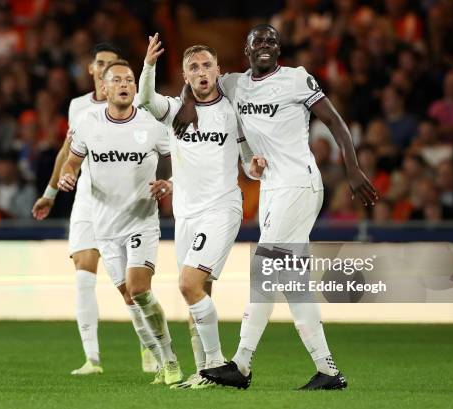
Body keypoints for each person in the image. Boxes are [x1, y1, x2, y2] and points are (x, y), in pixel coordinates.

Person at [175, 24, 377, 390]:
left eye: (272, 41)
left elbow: (335, 122)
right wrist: (187, 102)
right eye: (259, 41)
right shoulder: (234, 84)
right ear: (247, 49)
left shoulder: (298, 79)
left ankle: (241, 364)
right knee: (292, 282)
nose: (266, 45)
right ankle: (328, 371)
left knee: (264, 268)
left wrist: (353, 168)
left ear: (279, 50)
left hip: (299, 184)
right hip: (271, 189)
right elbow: (197, 78)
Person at [31, 43, 155, 375]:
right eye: (100, 63)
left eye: (112, 66)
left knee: (130, 286)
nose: (105, 70)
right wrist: (51, 193)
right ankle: (92, 359)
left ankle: (148, 345)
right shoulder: (79, 108)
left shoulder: (136, 107)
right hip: (87, 196)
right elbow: (66, 152)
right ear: (91, 69)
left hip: (124, 201)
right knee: (84, 273)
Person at [138, 34, 254, 388]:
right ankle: (204, 370)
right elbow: (144, 100)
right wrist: (149, 65)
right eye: (193, 67)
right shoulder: (175, 110)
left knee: (188, 284)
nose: (201, 72)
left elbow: (249, 165)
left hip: (221, 209)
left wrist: (257, 164)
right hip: (185, 214)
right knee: (198, 294)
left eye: (207, 65)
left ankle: (218, 366)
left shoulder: (233, 112)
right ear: (185, 76)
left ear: (219, 70)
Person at [58, 59, 183, 385]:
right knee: (129, 297)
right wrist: (67, 177)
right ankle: (159, 360)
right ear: (106, 86)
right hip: (105, 227)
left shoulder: (151, 124)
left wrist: (167, 182)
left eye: (129, 79)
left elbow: (173, 160)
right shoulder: (88, 122)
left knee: (140, 290)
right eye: (118, 80)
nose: (125, 84)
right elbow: (72, 161)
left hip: (141, 221)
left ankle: (170, 359)